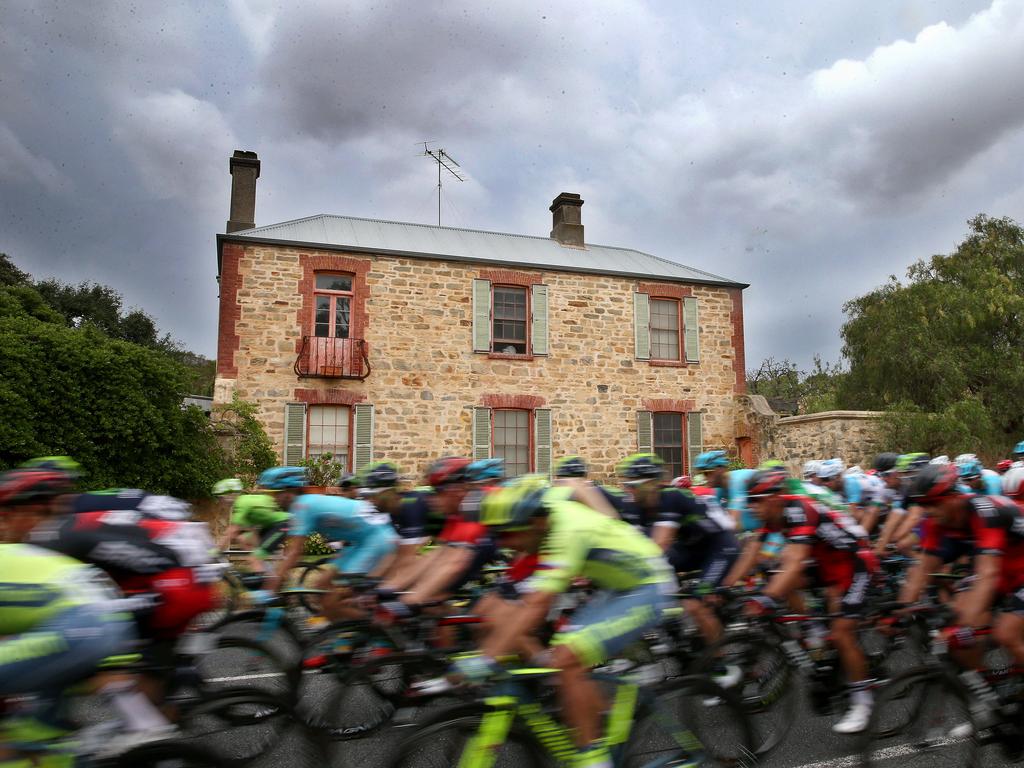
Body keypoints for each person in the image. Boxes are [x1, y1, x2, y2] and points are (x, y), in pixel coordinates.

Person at [454, 474, 676, 768]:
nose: (507, 545)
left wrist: (486, 659)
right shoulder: (546, 511)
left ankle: (593, 757)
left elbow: (536, 605)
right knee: (565, 654)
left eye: (510, 535)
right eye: (500, 536)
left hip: (649, 587)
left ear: (535, 522)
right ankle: (601, 722)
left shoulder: (567, 531)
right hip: (616, 587)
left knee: (567, 656)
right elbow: (570, 483)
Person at [726, 467, 878, 734]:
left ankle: (863, 702)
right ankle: (815, 630)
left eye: (756, 501)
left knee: (842, 634)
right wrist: (725, 588)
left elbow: (795, 562)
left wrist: (765, 599)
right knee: (778, 576)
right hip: (825, 561)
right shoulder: (770, 515)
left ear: (775, 498)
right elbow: (751, 551)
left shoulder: (799, 509)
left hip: (854, 562)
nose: (752, 507)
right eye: (749, 501)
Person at [900, 464, 1024, 668]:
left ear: (954, 496)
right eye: (923, 504)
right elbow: (922, 568)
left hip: (1010, 567)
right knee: (957, 617)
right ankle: (979, 688)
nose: (928, 510)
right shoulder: (933, 521)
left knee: (1006, 633)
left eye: (934, 503)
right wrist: (901, 610)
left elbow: (988, 574)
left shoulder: (984, 511)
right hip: (1006, 566)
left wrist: (964, 626)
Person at [617, 453, 738, 654]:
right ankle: (680, 633)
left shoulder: (671, 498)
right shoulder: (635, 504)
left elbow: (659, 544)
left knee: (694, 603)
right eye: (627, 485)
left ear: (652, 484)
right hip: (692, 547)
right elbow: (629, 542)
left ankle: (723, 662)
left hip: (720, 546)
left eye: (635, 485)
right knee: (663, 582)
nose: (630, 491)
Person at [263, 466, 396, 621]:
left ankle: (382, 626)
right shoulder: (305, 503)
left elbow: (294, 552)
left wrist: (270, 587)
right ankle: (350, 631)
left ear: (287, 492)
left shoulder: (302, 506)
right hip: (362, 542)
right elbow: (291, 549)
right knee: (321, 586)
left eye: (274, 494)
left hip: (375, 541)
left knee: (329, 602)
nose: (272, 499)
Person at [216, 483, 290, 576]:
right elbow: (250, 530)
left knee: (254, 558)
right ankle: (265, 572)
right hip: (270, 526)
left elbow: (232, 530)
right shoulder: (243, 502)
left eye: (221, 498)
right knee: (243, 539)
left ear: (229, 495)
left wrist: (216, 550)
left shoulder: (241, 504)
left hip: (281, 524)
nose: (220, 501)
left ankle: (264, 584)